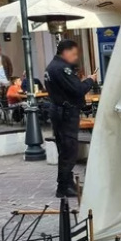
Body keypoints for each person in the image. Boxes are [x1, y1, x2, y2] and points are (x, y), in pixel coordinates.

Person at [45, 39, 98, 198]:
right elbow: (78, 89)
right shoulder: (61, 68)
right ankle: (63, 187)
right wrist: (90, 80)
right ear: (65, 52)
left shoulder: (52, 66)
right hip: (65, 113)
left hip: (59, 111)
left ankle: (67, 182)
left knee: (65, 149)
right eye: (74, 54)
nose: (76, 57)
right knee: (69, 150)